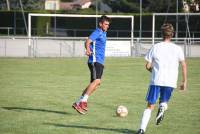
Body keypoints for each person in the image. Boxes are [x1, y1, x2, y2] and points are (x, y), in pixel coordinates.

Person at [136, 23, 187, 134]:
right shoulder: (177, 49)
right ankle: (163, 107)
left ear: (161, 34)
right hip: (170, 81)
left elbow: (147, 66)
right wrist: (184, 81)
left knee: (150, 105)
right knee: (164, 101)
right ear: (172, 34)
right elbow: (183, 64)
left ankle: (141, 129)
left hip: (157, 80)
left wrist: (153, 71)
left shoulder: (156, 47)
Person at [72, 15, 111, 115]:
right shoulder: (97, 31)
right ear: (100, 24)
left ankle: (77, 102)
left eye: (108, 24)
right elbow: (88, 41)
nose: (107, 26)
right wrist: (88, 50)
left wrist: (102, 64)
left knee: (95, 85)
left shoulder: (104, 33)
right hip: (94, 60)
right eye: (105, 24)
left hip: (100, 62)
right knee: (97, 81)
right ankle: (83, 101)